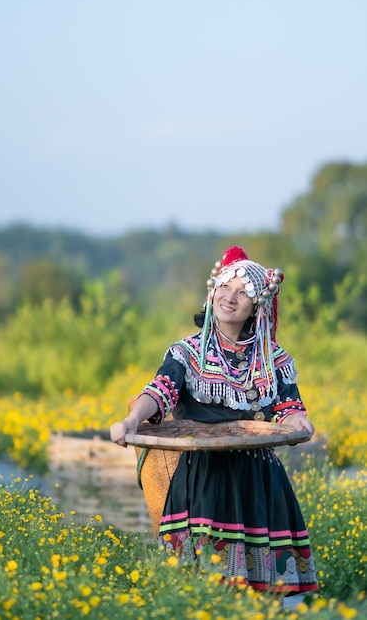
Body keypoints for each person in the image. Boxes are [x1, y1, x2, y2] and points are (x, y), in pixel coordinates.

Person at [110, 246, 318, 595]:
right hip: (201, 478)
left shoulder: (272, 359)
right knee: (198, 587)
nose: (230, 297)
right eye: (224, 287)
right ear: (212, 293)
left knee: (261, 593)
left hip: (258, 480)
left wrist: (301, 422)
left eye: (243, 293)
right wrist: (132, 419)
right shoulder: (187, 352)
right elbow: (160, 390)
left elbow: (290, 408)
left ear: (258, 306)